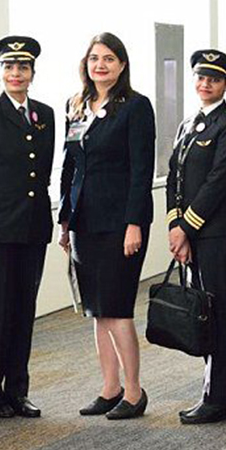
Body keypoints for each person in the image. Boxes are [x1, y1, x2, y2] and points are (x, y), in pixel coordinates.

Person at [59, 32, 155, 420]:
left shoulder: (135, 106)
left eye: (109, 59)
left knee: (117, 309)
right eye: (94, 58)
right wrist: (65, 219)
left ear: (122, 65)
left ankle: (134, 392)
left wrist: (134, 224)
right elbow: (70, 166)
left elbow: (141, 170)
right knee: (97, 311)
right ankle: (109, 388)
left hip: (120, 223)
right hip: (84, 221)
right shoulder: (76, 105)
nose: (100, 65)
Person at [0, 36, 54, 419]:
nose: (16, 73)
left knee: (24, 310)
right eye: (9, 67)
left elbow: (44, 172)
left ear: (33, 72)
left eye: (23, 67)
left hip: (33, 230)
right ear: (0, 71)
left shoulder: (45, 113)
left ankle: (18, 391)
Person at [167, 49, 226, 424]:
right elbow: (173, 178)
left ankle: (219, 397)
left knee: (217, 312)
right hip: (192, 234)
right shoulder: (188, 124)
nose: (205, 83)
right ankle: (214, 390)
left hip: (217, 234)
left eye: (214, 78)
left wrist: (186, 226)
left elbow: (218, 181)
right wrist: (173, 224)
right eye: (201, 77)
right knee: (203, 312)